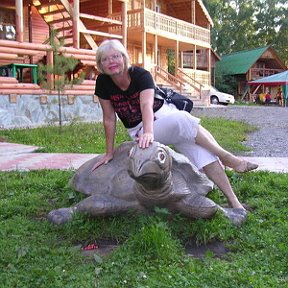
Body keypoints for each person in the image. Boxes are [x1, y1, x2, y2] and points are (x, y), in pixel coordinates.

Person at [92, 39, 258, 212]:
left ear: (124, 58)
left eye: (115, 56)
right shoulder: (103, 82)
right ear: (100, 64)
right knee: (183, 119)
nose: (111, 61)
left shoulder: (141, 75)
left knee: (202, 153)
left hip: (164, 115)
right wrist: (110, 152)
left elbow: (146, 105)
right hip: (140, 129)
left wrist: (149, 131)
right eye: (105, 59)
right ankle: (226, 157)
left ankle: (235, 203)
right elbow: (109, 118)